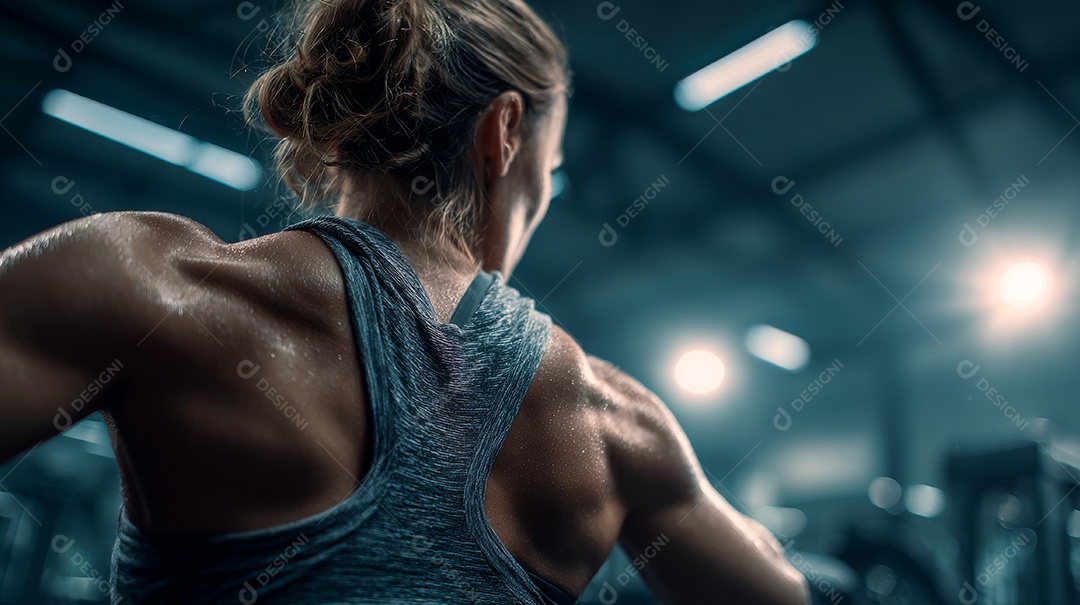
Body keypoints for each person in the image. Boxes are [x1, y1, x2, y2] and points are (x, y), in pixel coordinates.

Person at [0, 0, 810, 603]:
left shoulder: (154, 283)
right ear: (504, 132)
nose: (541, 201)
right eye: (549, 171)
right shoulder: (615, 427)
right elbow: (780, 592)